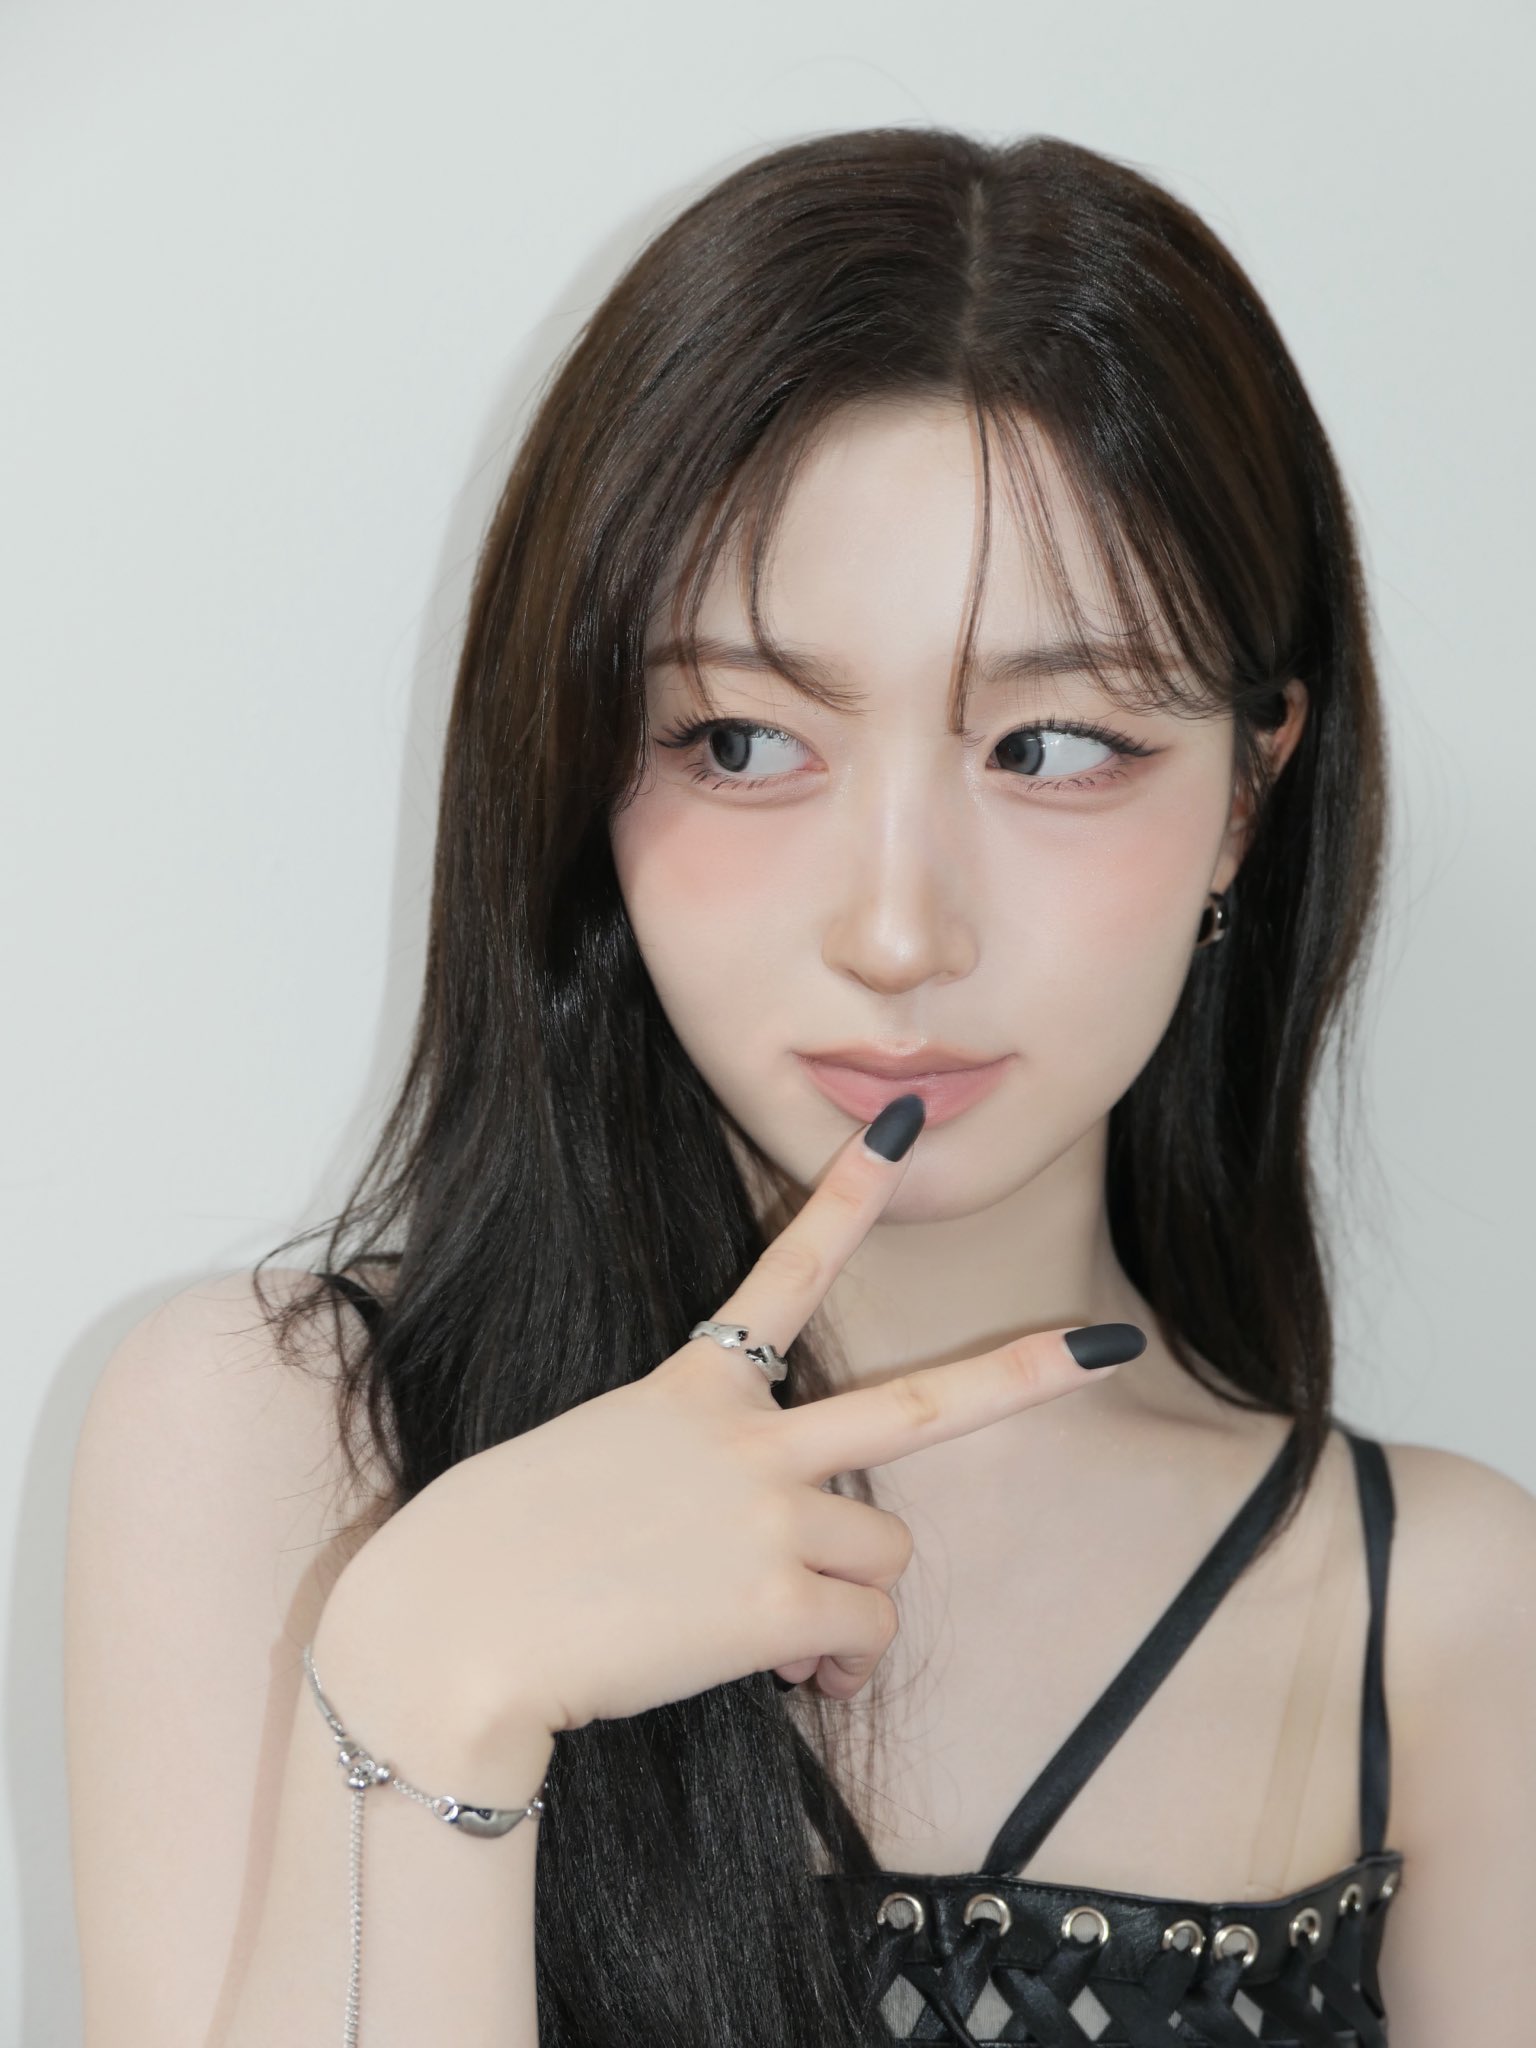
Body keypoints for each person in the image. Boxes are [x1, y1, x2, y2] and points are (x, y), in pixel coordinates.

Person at [63, 128, 1533, 2048]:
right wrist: (430, 1686)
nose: (900, 931)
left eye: (1053, 745)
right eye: (744, 741)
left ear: (1249, 793)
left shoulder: (1441, 1614)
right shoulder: (284, 1444)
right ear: (586, 766)